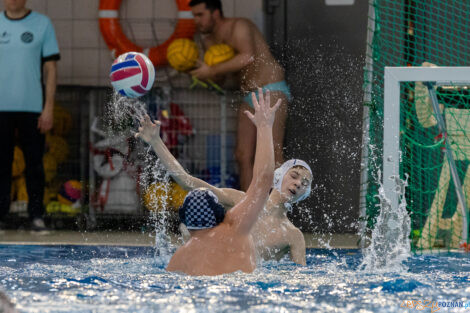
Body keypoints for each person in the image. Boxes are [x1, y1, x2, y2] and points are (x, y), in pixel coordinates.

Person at [136, 89, 312, 267]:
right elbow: (187, 182)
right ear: (279, 175)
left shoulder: (293, 235)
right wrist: (156, 142)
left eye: (304, 183)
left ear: (305, 194)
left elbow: (299, 276)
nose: (298, 183)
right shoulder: (241, 200)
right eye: (294, 176)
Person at [189, 0, 291, 191]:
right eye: (194, 16)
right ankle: (248, 210)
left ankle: (279, 211)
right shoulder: (209, 41)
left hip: (270, 89)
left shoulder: (239, 26)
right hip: (248, 95)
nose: (196, 21)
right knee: (242, 155)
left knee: (275, 152)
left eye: (200, 15)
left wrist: (211, 70)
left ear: (215, 13)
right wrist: (201, 73)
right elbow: (221, 79)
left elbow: (247, 57)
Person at [0, 0, 60, 231]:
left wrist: (49, 107)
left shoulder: (42, 24)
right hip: (1, 108)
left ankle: (36, 216)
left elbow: (51, 69)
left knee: (35, 164)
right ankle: (1, 215)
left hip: (32, 107)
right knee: (1, 164)